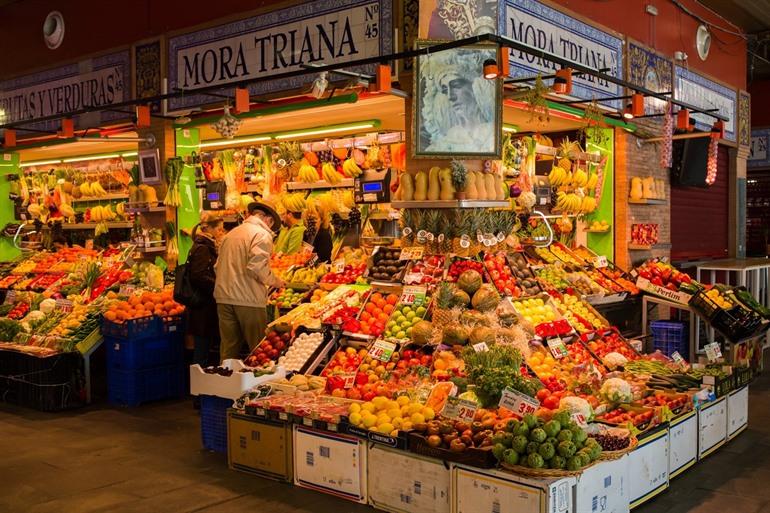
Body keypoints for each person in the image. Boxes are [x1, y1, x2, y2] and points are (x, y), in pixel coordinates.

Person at [215, 202, 284, 361]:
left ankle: (225, 383)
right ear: (268, 220)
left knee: (228, 350)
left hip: (223, 298)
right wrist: (275, 281)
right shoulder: (262, 235)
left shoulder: (231, 234)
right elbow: (257, 267)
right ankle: (259, 384)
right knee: (259, 349)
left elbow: (217, 267)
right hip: (248, 300)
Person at [186, 213, 225, 367]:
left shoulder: (204, 245)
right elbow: (198, 276)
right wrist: (218, 286)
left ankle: (201, 379)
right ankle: (198, 383)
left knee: (204, 344)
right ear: (210, 229)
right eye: (220, 230)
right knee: (201, 346)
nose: (221, 233)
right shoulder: (202, 248)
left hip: (204, 304)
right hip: (202, 305)